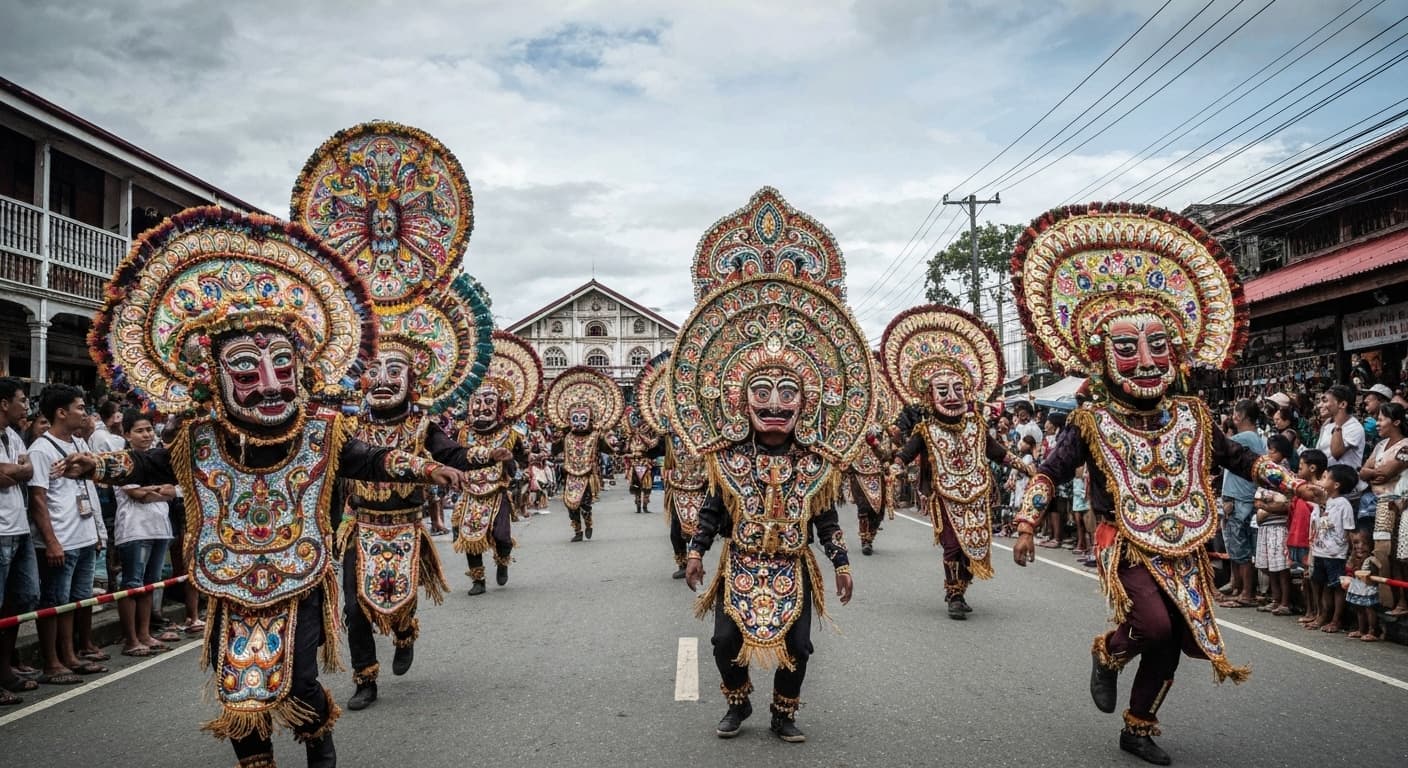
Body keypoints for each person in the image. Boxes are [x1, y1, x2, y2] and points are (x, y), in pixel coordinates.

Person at [59, 207, 466, 768]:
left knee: (298, 681)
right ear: (214, 377)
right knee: (241, 690)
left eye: (282, 365)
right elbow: (151, 465)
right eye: (248, 369)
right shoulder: (199, 441)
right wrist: (98, 467)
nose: (270, 385)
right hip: (230, 580)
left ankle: (320, 747)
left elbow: (370, 458)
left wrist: (426, 469)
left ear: (302, 370)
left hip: (301, 576)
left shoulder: (322, 435)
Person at [1009, 203, 1322, 766]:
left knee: (1177, 636)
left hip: (1186, 543)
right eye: (1128, 349)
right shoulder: (1090, 420)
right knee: (1151, 623)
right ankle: (1108, 652)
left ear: (1177, 354)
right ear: (1103, 357)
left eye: (1159, 346)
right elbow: (1050, 470)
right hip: (1123, 537)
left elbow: (1242, 462)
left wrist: (1296, 484)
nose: (1147, 361)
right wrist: (1028, 522)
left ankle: (1139, 726)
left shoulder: (1193, 416)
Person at [677, 187, 862, 743]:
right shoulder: (728, 459)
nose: (776, 403)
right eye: (764, 391)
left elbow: (825, 518)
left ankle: (784, 712)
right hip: (741, 565)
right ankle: (738, 705)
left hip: (792, 567)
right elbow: (712, 511)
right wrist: (694, 552)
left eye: (788, 392)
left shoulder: (815, 461)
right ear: (740, 398)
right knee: (722, 644)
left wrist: (841, 563)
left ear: (807, 401)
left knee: (799, 645)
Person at [340, 275, 493, 709]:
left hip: (405, 528)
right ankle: (365, 678)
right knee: (354, 608)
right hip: (360, 526)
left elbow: (455, 455)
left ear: (413, 379)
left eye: (394, 370)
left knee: (399, 601)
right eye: (373, 370)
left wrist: (487, 455)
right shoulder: (347, 428)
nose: (383, 379)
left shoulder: (423, 426)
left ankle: (405, 634)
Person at [885, 304, 1030, 620]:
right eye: (943, 390)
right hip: (947, 496)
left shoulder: (977, 425)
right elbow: (908, 451)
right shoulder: (926, 429)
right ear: (930, 397)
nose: (952, 396)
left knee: (973, 547)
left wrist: (1024, 466)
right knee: (952, 546)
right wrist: (896, 465)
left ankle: (962, 587)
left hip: (977, 495)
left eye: (958, 389)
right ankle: (953, 595)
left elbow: (997, 452)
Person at [27, 384, 108, 685]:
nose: (84, 413)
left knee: (78, 600)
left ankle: (71, 655)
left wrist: (97, 532)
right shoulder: (41, 449)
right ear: (61, 413)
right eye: (79, 408)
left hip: (84, 536)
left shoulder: (77, 445)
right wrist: (51, 541)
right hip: (60, 539)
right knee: (54, 602)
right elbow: (37, 500)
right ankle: (52, 662)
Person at [451, 330, 542, 596]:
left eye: (488, 402)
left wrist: (529, 460)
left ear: (501, 406)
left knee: (502, 537)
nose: (481, 407)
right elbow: (454, 457)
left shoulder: (510, 433)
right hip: (470, 492)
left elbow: (523, 456)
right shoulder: (464, 434)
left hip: (497, 492)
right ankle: (478, 580)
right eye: (476, 402)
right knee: (470, 538)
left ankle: (502, 562)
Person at [112, 409, 178, 657]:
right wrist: (161, 491)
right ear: (127, 433)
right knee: (132, 583)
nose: (146, 434)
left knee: (151, 583)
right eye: (139, 431)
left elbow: (171, 490)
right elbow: (136, 493)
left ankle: (145, 633)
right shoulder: (123, 459)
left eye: (149, 429)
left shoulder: (158, 459)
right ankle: (131, 639)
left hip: (159, 527)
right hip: (134, 529)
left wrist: (156, 491)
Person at [546, 367, 623, 542]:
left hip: (588, 475)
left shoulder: (596, 436)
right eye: (575, 419)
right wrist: (556, 440)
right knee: (570, 504)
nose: (579, 424)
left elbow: (610, 450)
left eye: (583, 419)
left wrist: (613, 445)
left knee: (585, 504)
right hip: (570, 474)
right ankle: (577, 530)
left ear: (590, 419)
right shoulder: (566, 436)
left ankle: (588, 522)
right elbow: (553, 450)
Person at [0, 378, 38, 705]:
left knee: (23, 599)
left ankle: (5, 669)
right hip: (0, 532)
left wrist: (14, 470)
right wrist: (17, 470)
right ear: (4, 403)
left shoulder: (13, 435)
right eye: (21, 400)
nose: (25, 407)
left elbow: (28, 469)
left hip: (19, 528)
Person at [1219, 400, 1266, 609]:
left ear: (1241, 415)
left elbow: (1220, 445)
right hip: (1238, 496)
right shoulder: (1252, 437)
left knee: (1240, 546)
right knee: (1235, 545)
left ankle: (1247, 592)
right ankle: (1239, 588)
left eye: (1235, 412)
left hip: (1240, 498)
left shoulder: (1245, 438)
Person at [1306, 465, 1357, 633]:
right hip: (1319, 550)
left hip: (1336, 553)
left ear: (1336, 485)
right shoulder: (1323, 501)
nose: (1322, 480)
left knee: (1336, 586)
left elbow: (1348, 532)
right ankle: (1322, 614)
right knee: (1321, 584)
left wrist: (1352, 554)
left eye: (1326, 477)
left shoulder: (1344, 505)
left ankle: (1336, 619)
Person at [1252, 435, 1294, 616]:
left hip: (1278, 526)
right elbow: (1257, 500)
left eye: (1273, 450)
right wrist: (1267, 505)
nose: (1269, 453)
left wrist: (1266, 507)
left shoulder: (1286, 476)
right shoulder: (1265, 476)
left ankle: (1285, 601)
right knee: (1268, 566)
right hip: (1265, 526)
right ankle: (1275, 599)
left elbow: (1285, 504)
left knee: (1281, 567)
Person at [1294, 450, 1327, 625]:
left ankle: (1320, 612)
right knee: (1307, 577)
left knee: (1317, 579)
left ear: (1312, 468)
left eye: (1301, 467)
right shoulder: (1303, 487)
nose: (1298, 470)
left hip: (1320, 539)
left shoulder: (1320, 489)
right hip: (1308, 536)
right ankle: (1310, 609)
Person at [1341, 530, 1381, 641]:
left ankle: (1372, 630)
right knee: (1359, 608)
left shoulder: (1371, 559)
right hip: (1357, 587)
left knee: (1369, 609)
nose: (1360, 547)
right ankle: (1361, 629)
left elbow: (1376, 571)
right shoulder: (1353, 558)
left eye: (1364, 543)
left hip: (1368, 588)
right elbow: (1349, 570)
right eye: (1357, 543)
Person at [1317, 384, 1365, 469]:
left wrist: (1338, 425)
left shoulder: (1355, 428)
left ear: (1342, 404)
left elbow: (1336, 453)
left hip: (1345, 479)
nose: (1319, 406)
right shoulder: (1327, 423)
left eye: (1325, 401)